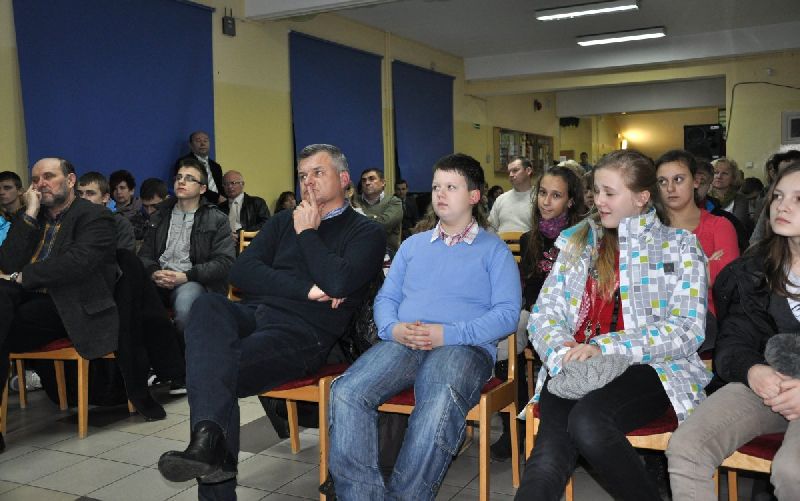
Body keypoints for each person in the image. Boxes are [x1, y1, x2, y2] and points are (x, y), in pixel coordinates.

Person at [157, 144, 386, 499]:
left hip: (304, 332)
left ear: (344, 179)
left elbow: (339, 281)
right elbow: (242, 271)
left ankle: (208, 447)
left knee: (211, 370)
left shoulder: (365, 231)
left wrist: (307, 232)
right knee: (207, 305)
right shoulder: (282, 221)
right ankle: (210, 445)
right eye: (302, 175)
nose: (308, 182)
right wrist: (308, 289)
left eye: (318, 173)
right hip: (254, 313)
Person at [515, 150, 710, 501]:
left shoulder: (678, 245)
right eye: (596, 191)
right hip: (575, 366)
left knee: (588, 423)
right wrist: (562, 352)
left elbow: (687, 328)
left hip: (649, 367)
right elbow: (545, 313)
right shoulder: (578, 241)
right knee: (547, 458)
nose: (598, 201)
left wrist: (603, 347)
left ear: (641, 197)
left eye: (609, 192)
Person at [328, 153, 521, 500]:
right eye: (436, 187)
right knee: (347, 391)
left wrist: (448, 333)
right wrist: (393, 329)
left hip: (463, 348)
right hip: (405, 341)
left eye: (451, 187)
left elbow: (507, 315)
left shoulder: (494, 251)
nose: (440, 194)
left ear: (474, 196)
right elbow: (386, 299)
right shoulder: (412, 246)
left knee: (437, 401)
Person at [666, 160, 800, 501]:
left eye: (798, 199)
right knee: (687, 447)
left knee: (793, 471)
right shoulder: (755, 269)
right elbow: (733, 339)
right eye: (779, 196)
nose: (782, 206)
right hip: (767, 383)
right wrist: (752, 370)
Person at [0, 158, 118, 452]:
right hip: (23, 300)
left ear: (70, 180)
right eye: (35, 179)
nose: (41, 184)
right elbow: (8, 261)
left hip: (69, 303)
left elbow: (77, 263)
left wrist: (23, 277)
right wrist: (29, 213)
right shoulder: (31, 216)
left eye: (49, 176)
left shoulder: (95, 216)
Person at [492, 166, 587, 461]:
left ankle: (569, 434)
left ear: (571, 201)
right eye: (543, 193)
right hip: (535, 314)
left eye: (556, 195)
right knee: (506, 337)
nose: (546, 201)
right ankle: (515, 430)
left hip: (575, 317)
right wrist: (534, 311)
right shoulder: (529, 239)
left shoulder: (583, 238)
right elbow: (527, 287)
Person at [138, 158, 235, 333]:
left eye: (190, 178)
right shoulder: (159, 215)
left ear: (202, 188)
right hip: (159, 279)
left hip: (193, 281)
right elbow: (144, 255)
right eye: (179, 177)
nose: (182, 181)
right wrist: (154, 272)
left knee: (185, 312)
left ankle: (186, 351)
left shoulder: (217, 218)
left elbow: (224, 262)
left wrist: (186, 276)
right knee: (132, 306)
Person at [655, 149, 739, 350]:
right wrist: (703, 264)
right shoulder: (649, 229)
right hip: (654, 323)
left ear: (696, 181)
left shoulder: (720, 226)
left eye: (678, 179)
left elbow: (724, 280)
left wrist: (666, 270)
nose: (670, 188)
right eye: (662, 181)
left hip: (706, 327)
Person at [76, 172, 136, 252]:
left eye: (90, 193)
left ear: (105, 198)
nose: (83, 198)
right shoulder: (71, 221)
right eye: (80, 193)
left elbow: (125, 257)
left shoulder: (120, 224)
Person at [218, 170, 270, 245]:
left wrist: (240, 234)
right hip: (226, 245)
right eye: (226, 184)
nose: (229, 187)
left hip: (251, 244)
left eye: (233, 183)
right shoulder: (219, 208)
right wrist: (227, 236)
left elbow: (266, 224)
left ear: (242, 184)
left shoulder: (256, 203)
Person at [359, 168, 403, 253]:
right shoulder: (354, 201)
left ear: (383, 182)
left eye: (372, 179)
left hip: (386, 254)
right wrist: (375, 217)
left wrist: (359, 218)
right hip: (358, 252)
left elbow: (384, 224)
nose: (367, 183)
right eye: (363, 180)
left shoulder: (394, 201)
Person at [174, 131, 225, 205]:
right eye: (198, 141)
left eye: (205, 141)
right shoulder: (185, 162)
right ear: (190, 145)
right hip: (197, 203)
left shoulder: (216, 166)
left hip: (219, 205)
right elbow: (191, 186)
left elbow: (221, 187)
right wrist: (216, 197)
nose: (203, 144)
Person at [489, 156, 536, 233]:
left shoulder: (540, 198)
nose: (511, 175)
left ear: (528, 171)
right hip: (501, 240)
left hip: (529, 240)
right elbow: (490, 229)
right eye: (509, 172)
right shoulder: (501, 199)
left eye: (515, 170)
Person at [710, 157, 752, 236]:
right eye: (715, 172)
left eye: (725, 173)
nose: (719, 176)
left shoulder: (740, 199)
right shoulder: (703, 197)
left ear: (733, 178)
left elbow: (738, 225)